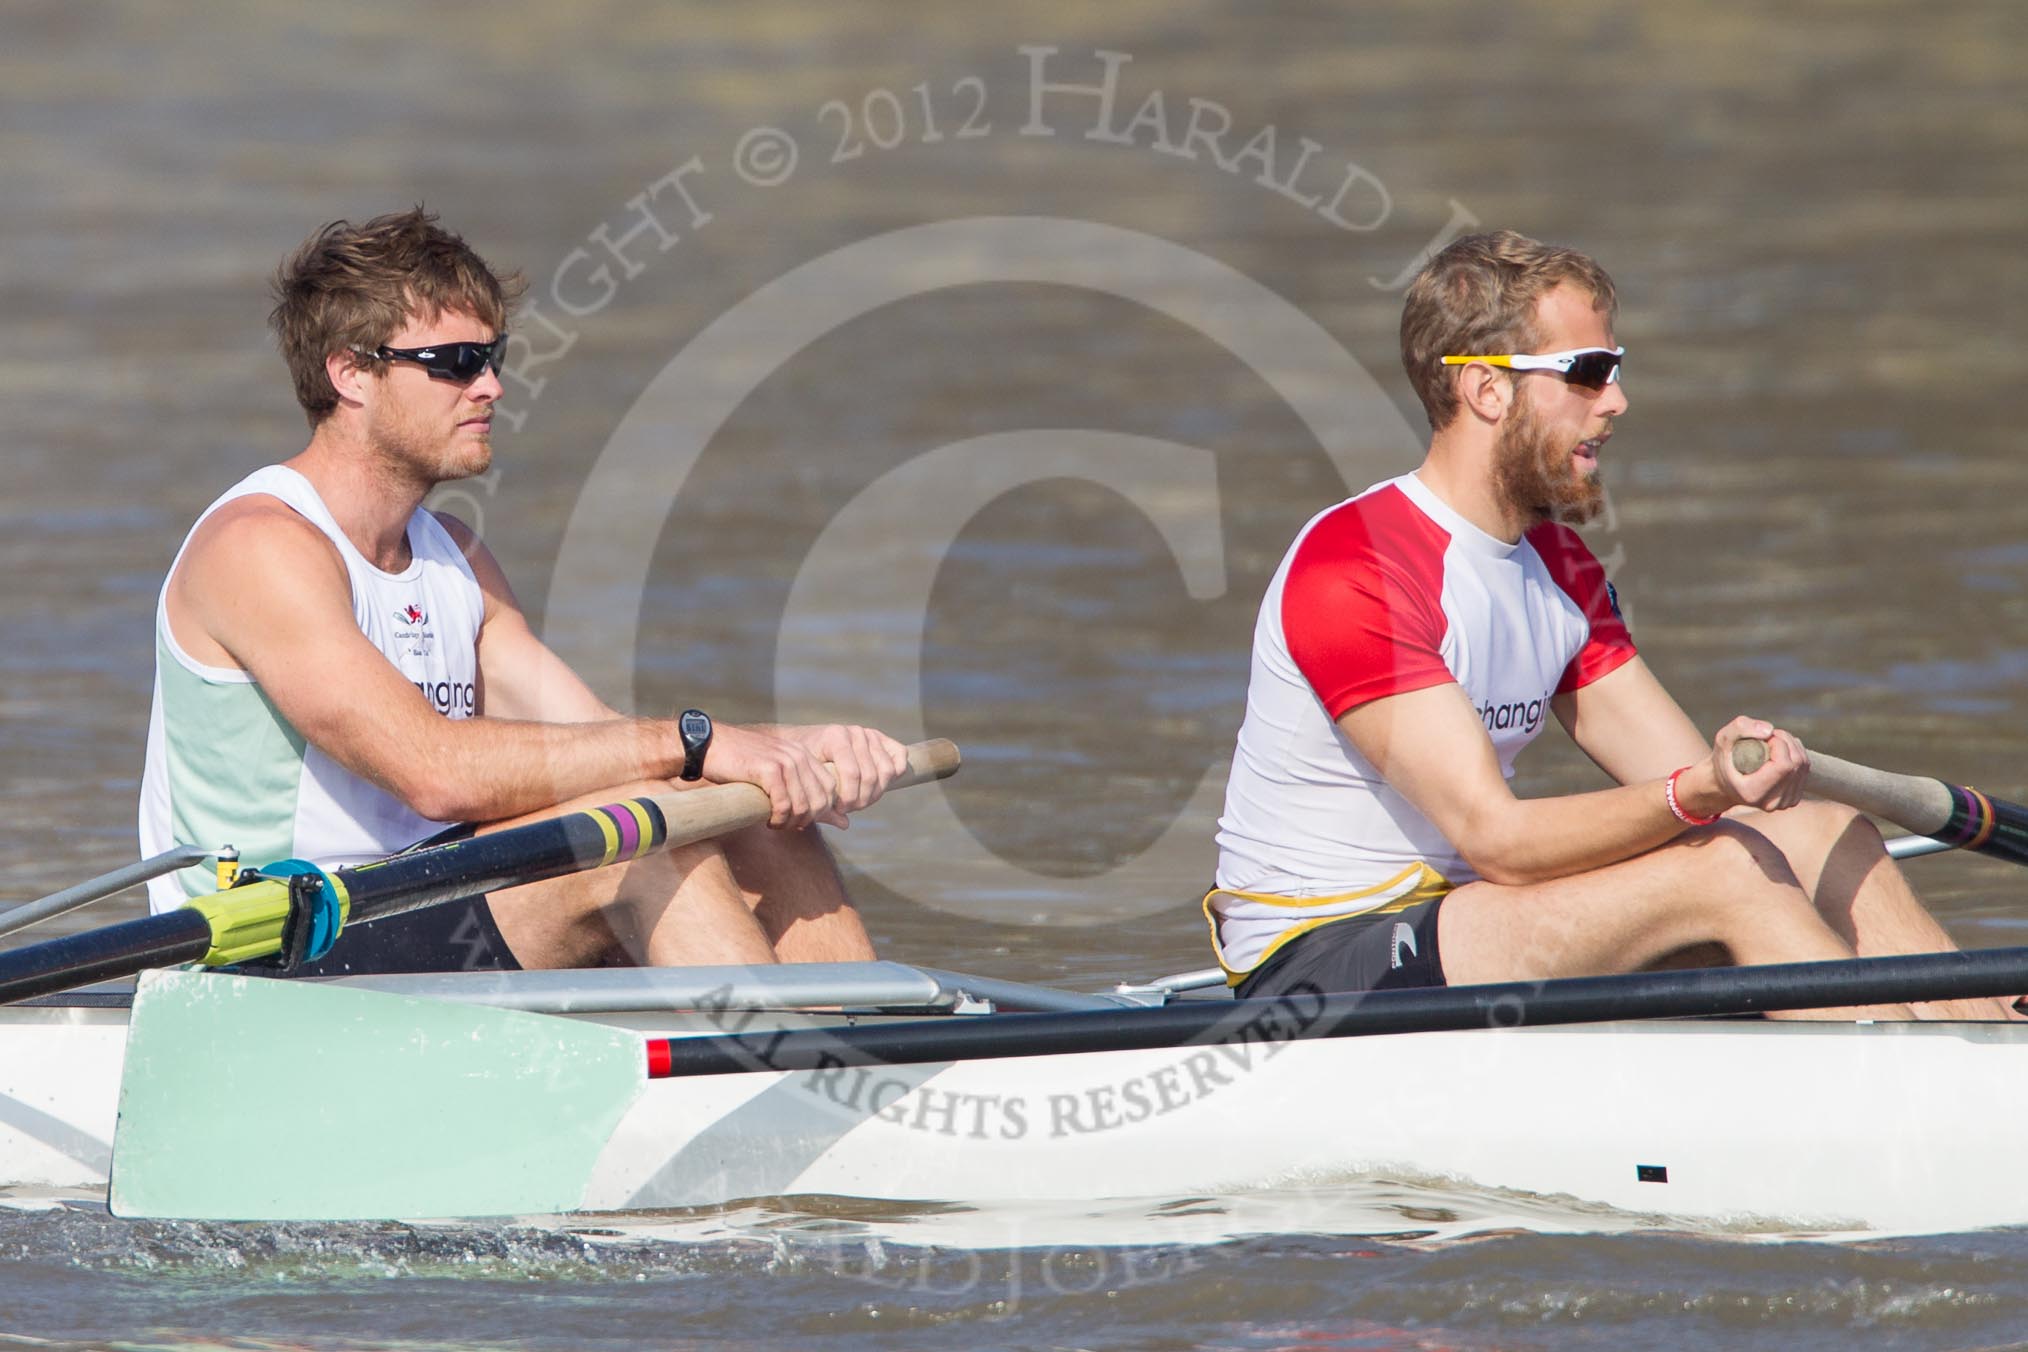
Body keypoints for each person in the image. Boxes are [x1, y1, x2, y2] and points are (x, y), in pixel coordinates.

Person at [1207, 229, 2011, 1021]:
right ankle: (1900, 1101)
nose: (1617, 400)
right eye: (1588, 373)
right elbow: (1498, 839)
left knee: (1818, 832)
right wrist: (1701, 789)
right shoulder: (1356, 566)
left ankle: (1991, 1051)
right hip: (1318, 964)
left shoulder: (1558, 565)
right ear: (1487, 391)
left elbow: (1698, 784)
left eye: (1615, 370)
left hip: (1467, 922)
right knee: (1724, 870)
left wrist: (1736, 785)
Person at [138, 207, 911, 976]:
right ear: (350, 373)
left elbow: (605, 743)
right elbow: (434, 774)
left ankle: (854, 1057)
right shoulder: (258, 548)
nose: (492, 386)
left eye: (494, 355)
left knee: (755, 814)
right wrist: (703, 741)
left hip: (413, 904)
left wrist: (788, 751)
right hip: (271, 947)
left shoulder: (459, 561)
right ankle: (778, 1071)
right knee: (633, 846)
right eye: (455, 361)